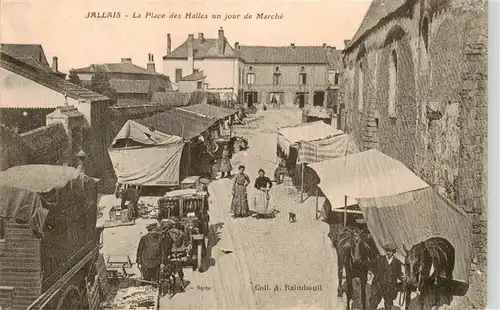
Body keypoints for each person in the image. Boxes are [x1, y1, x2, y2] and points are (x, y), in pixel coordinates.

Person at [369, 243, 405, 310]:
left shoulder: (397, 262)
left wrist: (403, 279)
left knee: (388, 306)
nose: (388, 252)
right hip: (378, 285)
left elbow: (399, 273)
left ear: (393, 252)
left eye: (390, 251)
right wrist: (376, 273)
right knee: (373, 304)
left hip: (390, 287)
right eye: (387, 251)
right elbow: (371, 265)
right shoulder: (379, 259)